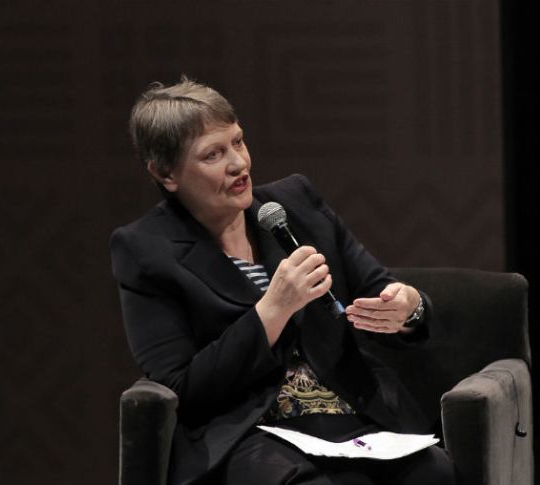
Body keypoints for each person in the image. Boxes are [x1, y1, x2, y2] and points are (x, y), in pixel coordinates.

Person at [110, 76, 455, 485]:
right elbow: (183, 388)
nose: (238, 163)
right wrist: (272, 310)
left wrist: (408, 307)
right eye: (213, 154)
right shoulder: (145, 251)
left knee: (433, 473)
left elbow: (381, 290)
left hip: (348, 415)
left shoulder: (294, 203)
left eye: (238, 142)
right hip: (249, 434)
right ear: (166, 174)